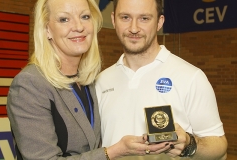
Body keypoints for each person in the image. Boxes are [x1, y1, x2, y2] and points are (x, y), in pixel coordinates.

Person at [7, 0, 170, 159]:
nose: (78, 27)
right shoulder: (30, 84)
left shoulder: (89, 82)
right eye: (64, 19)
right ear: (47, 29)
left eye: (85, 17)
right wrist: (113, 152)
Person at [95, 0, 228, 159]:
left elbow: (219, 146)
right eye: (125, 17)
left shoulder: (191, 77)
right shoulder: (101, 81)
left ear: (159, 22)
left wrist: (189, 144)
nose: (134, 28)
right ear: (114, 20)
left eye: (144, 18)